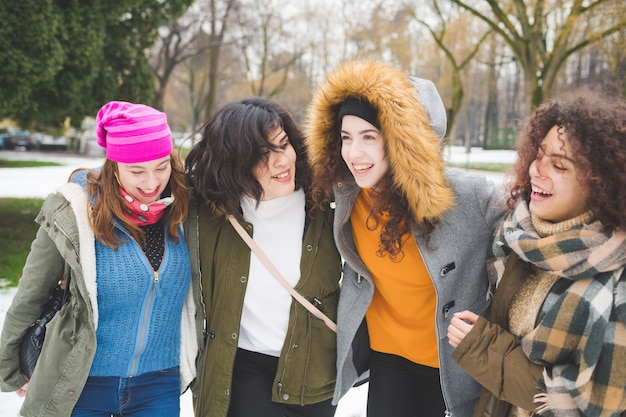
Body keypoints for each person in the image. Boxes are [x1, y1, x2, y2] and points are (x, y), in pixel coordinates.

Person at [303, 59, 506, 417]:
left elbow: (534, 222)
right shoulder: (345, 193)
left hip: (451, 366)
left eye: (369, 137)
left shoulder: (467, 196)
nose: (354, 153)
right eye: (346, 138)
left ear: (403, 143)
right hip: (389, 360)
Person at [0, 101, 203, 417]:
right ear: (114, 164)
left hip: (158, 384)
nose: (151, 184)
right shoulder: (74, 211)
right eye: (137, 171)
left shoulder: (187, 208)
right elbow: (31, 293)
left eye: (161, 167)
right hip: (82, 382)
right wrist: (9, 366)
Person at [447, 90, 626, 417]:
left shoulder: (615, 283)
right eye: (538, 154)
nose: (536, 170)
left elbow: (595, 406)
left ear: (601, 183)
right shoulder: (518, 238)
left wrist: (484, 348)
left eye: (559, 165)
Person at [184, 97, 342, 417]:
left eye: (282, 145)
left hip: (313, 372)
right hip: (243, 370)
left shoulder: (327, 202)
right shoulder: (210, 210)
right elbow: (144, 186)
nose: (280, 162)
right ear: (235, 164)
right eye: (261, 156)